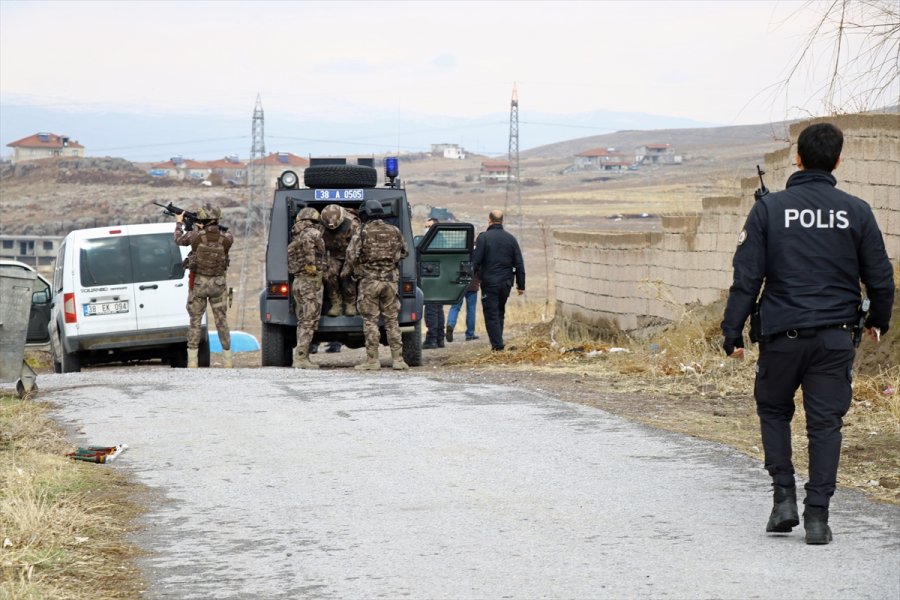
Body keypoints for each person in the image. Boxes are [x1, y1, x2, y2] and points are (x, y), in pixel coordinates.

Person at [721, 122, 894, 545]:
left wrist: (733, 332)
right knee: (825, 424)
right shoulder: (856, 210)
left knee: (775, 411)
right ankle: (818, 517)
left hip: (783, 335)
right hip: (836, 338)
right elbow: (881, 279)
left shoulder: (768, 209)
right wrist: (878, 321)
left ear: (797, 158)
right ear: (837, 160)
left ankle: (784, 500)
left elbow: (747, 279)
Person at [342, 199, 410, 370]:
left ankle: (372, 361)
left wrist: (348, 274)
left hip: (369, 283)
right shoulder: (394, 230)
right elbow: (405, 251)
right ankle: (398, 360)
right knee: (392, 321)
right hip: (390, 282)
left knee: (370, 321)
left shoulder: (362, 231)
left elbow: (351, 256)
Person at [174, 204, 234, 368]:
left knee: (195, 322)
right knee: (222, 321)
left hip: (199, 284)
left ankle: (192, 362)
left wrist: (179, 223)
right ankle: (228, 361)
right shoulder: (226, 238)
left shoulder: (195, 235)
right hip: (218, 284)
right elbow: (226, 234)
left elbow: (179, 240)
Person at [471, 209, 525, 351]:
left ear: (489, 220)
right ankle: (498, 341)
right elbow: (519, 262)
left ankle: (497, 346)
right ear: (502, 221)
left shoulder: (483, 238)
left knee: (491, 313)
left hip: (489, 283)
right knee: (500, 311)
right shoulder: (511, 239)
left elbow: (475, 262)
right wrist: (521, 285)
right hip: (506, 283)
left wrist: (467, 278)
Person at [287, 207, 326, 369]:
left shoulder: (294, 237)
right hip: (310, 282)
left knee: (302, 320)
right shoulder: (311, 234)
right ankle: (302, 357)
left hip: (298, 281)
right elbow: (311, 248)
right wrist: (312, 266)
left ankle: (301, 355)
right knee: (309, 321)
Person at [321, 204, 361, 318]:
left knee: (346, 275)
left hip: (350, 254)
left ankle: (350, 303)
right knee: (329, 274)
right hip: (334, 255)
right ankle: (336, 303)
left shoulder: (353, 224)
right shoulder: (322, 225)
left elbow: (357, 246)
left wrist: (351, 264)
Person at [422, 217, 446, 349]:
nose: (427, 229)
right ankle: (439, 339)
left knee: (431, 309)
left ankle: (432, 340)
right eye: (426, 227)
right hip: (438, 279)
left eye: (430, 227)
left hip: (433, 279)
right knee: (438, 309)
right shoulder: (438, 240)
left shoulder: (436, 241)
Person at [446, 272, 480, 342]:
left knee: (455, 307)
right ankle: (470, 334)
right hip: (472, 283)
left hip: (458, 283)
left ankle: (450, 325)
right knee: (471, 309)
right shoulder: (475, 260)